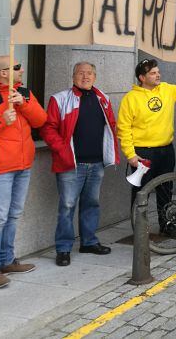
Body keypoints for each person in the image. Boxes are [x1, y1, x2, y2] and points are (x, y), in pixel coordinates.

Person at [0, 57, 47, 288]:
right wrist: (0, 119)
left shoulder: (24, 92)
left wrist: (23, 103)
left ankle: (8, 260)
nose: (22, 69)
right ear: (3, 73)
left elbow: (41, 120)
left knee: (14, 214)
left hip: (23, 165)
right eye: (17, 67)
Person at [40, 62, 118, 268]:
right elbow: (48, 129)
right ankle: (63, 248)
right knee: (67, 206)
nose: (86, 76)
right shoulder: (60, 99)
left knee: (91, 204)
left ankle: (89, 242)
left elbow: (112, 127)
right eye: (81, 73)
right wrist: (63, 150)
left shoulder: (103, 99)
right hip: (71, 164)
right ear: (73, 75)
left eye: (90, 73)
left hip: (96, 163)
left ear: (95, 76)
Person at [118, 57, 176, 239]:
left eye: (157, 71)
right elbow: (123, 129)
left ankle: (167, 224)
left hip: (165, 150)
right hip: (142, 153)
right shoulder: (130, 98)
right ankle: (140, 229)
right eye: (153, 73)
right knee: (141, 192)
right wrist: (130, 155)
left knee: (165, 190)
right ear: (142, 77)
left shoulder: (167, 89)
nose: (158, 75)